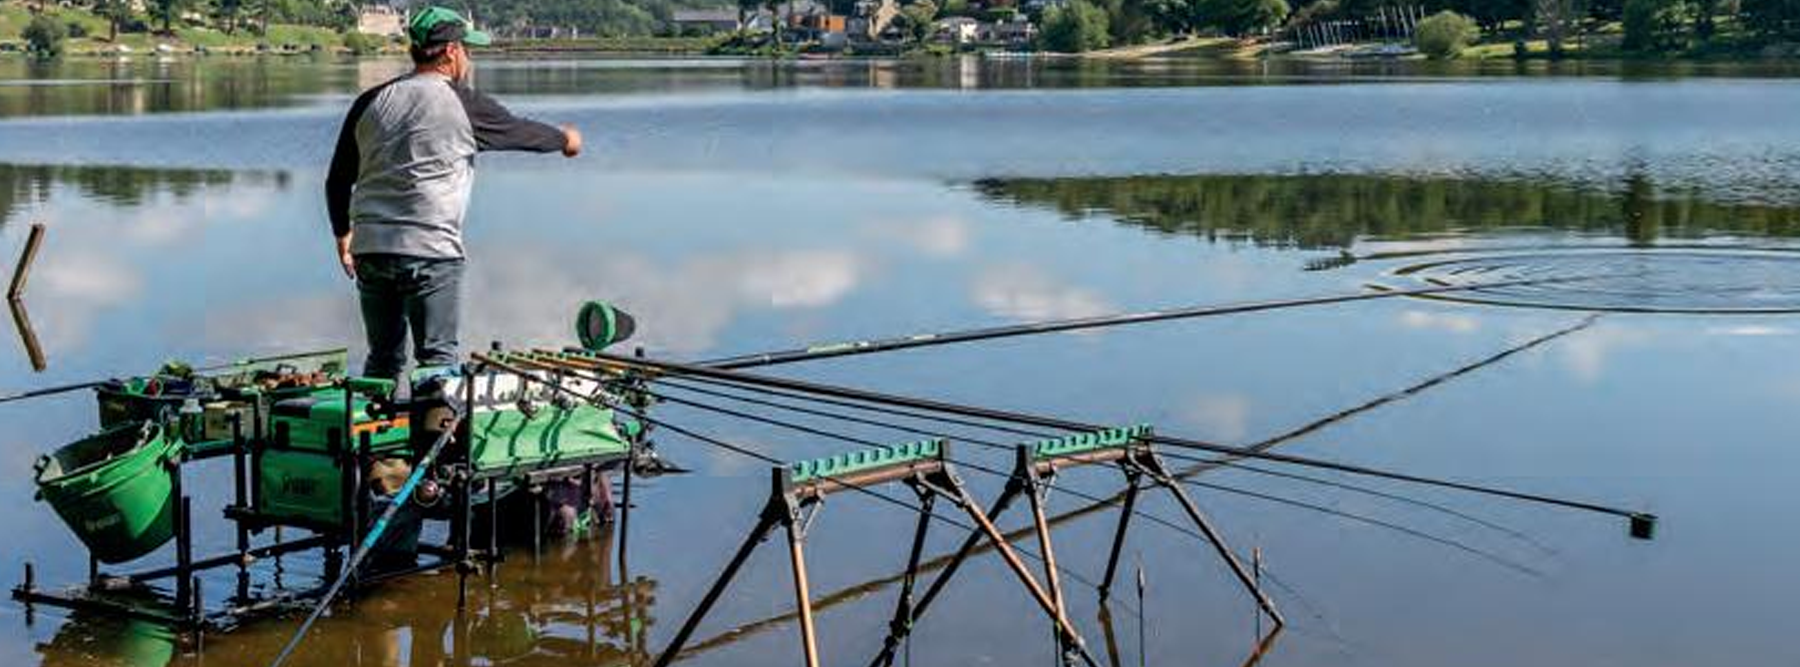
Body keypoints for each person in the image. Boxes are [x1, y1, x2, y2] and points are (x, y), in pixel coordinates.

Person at [326, 6, 582, 379]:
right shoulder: (461, 102)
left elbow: (337, 179)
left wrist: (343, 234)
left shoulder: (370, 101)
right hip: (429, 252)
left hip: (371, 249)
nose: (469, 58)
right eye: (466, 49)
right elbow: (520, 132)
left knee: (382, 358)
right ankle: (435, 418)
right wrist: (566, 139)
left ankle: (372, 417)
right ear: (450, 51)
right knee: (437, 360)